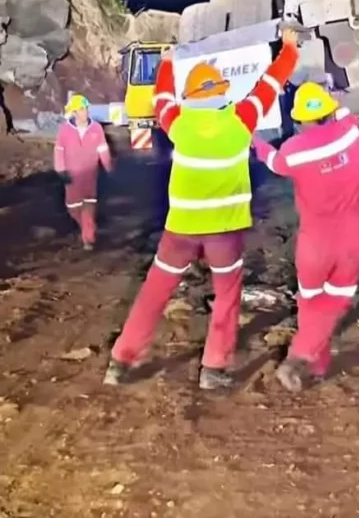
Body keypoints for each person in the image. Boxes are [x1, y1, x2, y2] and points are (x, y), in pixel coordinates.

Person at [104, 28, 300, 390]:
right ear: (223, 92)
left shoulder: (177, 122)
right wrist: (289, 46)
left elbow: (161, 94)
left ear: (190, 95)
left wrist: (165, 63)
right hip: (224, 231)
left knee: (154, 292)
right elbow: (273, 80)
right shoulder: (241, 120)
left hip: (181, 229)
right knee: (226, 296)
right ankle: (213, 369)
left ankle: (121, 361)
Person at [253, 82, 359, 392]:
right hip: (351, 242)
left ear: (300, 119)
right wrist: (334, 98)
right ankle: (309, 361)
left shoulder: (293, 151)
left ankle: (308, 362)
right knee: (333, 304)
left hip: (315, 247)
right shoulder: (351, 134)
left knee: (311, 302)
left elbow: (272, 160)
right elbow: (347, 115)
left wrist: (254, 140)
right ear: (329, 113)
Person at [53, 94, 113, 250]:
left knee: (88, 208)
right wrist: (60, 170)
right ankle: (86, 227)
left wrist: (108, 167)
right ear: (74, 113)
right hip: (72, 176)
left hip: (90, 175)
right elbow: (59, 150)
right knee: (73, 208)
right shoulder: (65, 130)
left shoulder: (96, 128)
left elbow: (103, 149)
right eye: (81, 109)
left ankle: (88, 238)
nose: (85, 112)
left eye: (86, 108)